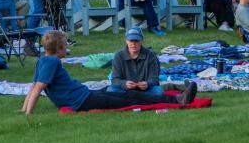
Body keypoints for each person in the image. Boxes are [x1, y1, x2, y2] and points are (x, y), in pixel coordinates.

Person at [22, 30, 195, 114]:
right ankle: (177, 99)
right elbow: (38, 88)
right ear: (59, 48)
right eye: (65, 45)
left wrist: (24, 109)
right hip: (82, 101)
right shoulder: (52, 62)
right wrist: (29, 114)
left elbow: (33, 87)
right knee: (129, 98)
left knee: (121, 94)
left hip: (84, 95)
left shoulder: (43, 60)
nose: (67, 48)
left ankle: (177, 96)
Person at [107, 28, 176, 102]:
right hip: (125, 89)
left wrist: (147, 84)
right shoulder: (119, 56)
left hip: (145, 89)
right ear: (126, 41)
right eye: (131, 40)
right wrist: (125, 83)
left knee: (158, 91)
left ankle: (131, 99)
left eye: (136, 41)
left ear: (141, 41)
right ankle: (142, 99)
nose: (133, 44)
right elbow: (115, 79)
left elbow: (155, 79)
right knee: (111, 90)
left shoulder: (150, 55)